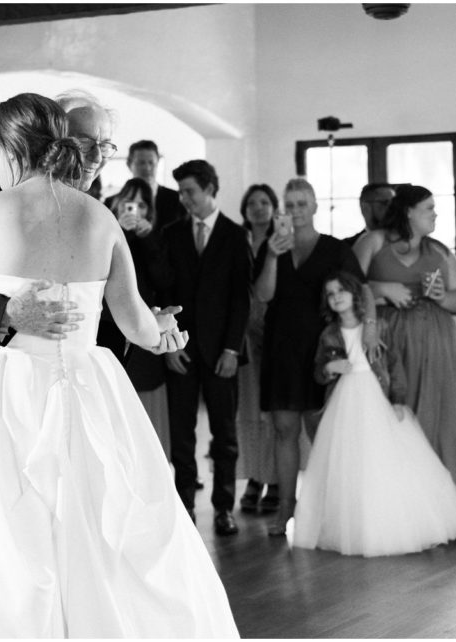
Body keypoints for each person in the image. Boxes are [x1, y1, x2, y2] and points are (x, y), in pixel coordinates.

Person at [0, 93, 237, 637]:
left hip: (12, 389)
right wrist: (167, 332)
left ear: (12, 147)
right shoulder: (102, 218)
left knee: (8, 536)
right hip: (89, 386)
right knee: (96, 524)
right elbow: (137, 327)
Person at [293, 271, 456, 556]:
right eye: (330, 294)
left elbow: (393, 365)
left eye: (341, 290)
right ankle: (350, 524)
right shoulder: (328, 334)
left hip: (374, 396)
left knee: (381, 456)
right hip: (343, 401)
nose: (337, 297)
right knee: (347, 460)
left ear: (356, 294)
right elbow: (318, 371)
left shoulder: (378, 327)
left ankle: (387, 521)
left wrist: (398, 399)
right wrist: (330, 369)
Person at [256, 177, 378, 536]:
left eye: (301, 204)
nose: (295, 211)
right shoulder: (271, 247)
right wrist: (273, 256)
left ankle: (328, 509)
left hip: (323, 349)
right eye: (289, 205)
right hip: (281, 348)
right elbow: (263, 295)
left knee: (322, 431)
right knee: (284, 429)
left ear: (314, 207)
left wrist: (370, 326)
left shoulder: (336, 249)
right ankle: (285, 509)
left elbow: (363, 291)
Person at [353, 184, 456, 519]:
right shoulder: (373, 242)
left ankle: (444, 510)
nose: (435, 214)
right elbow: (346, 286)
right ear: (408, 211)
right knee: (395, 415)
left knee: (439, 417)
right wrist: (381, 289)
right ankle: (396, 512)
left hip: (435, 340)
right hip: (387, 338)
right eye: (429, 208)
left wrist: (440, 296)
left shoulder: (439, 250)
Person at [161, 159, 252, 536]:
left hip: (221, 353)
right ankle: (184, 503)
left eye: (190, 192)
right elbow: (163, 294)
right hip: (181, 348)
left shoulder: (235, 235)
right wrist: (167, 345)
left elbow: (241, 299)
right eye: (181, 192)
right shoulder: (171, 234)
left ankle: (223, 508)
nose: (184, 199)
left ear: (210, 188)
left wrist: (232, 350)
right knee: (182, 432)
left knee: (224, 433)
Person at [108, 177, 173, 459]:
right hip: (109, 331)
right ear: (118, 203)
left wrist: (148, 240)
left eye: (142, 205)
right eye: (129, 201)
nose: (134, 210)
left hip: (146, 328)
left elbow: (165, 281)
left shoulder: (155, 238)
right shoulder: (105, 233)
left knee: (144, 403)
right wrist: (119, 234)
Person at [235, 184, 280, 513]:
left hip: (277, 331)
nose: (259, 208)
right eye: (252, 203)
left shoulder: (282, 240)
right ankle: (254, 476)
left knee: (275, 410)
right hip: (243, 331)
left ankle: (276, 478)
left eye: (265, 202)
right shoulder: (236, 239)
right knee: (249, 410)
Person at [106, 140, 186, 230]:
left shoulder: (176, 199)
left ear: (158, 162)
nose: (147, 168)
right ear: (129, 164)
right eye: (141, 163)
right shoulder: (110, 203)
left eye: (151, 163)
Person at [342, 183, 395, 247]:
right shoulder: (348, 246)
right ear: (365, 207)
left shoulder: (405, 243)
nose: (392, 208)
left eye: (394, 203)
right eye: (385, 203)